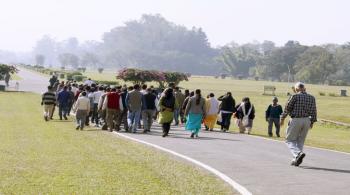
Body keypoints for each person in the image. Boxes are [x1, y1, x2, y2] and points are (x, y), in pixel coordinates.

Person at [280, 82, 317, 166]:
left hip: (296, 119)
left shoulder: (294, 96)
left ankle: (297, 154)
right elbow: (314, 111)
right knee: (300, 140)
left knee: (289, 140)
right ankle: (295, 159)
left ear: (296, 89)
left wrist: (282, 118)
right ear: (305, 89)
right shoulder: (312, 98)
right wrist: (312, 122)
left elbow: (287, 108)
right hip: (307, 120)